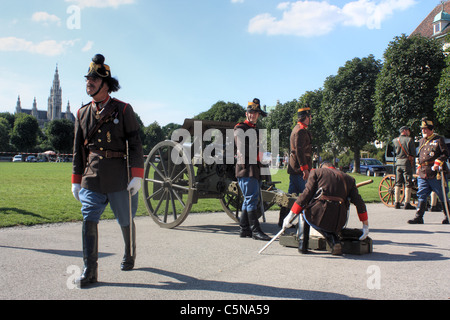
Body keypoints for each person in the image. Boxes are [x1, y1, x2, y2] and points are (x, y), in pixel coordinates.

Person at [71, 54, 145, 287]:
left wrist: (137, 175)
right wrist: (76, 179)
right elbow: (77, 150)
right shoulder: (82, 113)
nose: (88, 83)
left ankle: (129, 252)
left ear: (105, 84)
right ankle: (90, 269)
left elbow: (135, 144)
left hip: (118, 174)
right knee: (88, 217)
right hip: (92, 175)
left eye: (93, 79)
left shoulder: (123, 110)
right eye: (88, 79)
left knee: (125, 218)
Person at [283, 161, 369, 255]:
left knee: (304, 211)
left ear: (322, 166)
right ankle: (334, 240)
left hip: (321, 216)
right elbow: (359, 203)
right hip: (339, 220)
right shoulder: (349, 179)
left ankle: (303, 245)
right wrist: (365, 225)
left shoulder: (316, 172)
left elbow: (306, 195)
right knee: (323, 218)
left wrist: (290, 214)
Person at [234, 98, 271, 241]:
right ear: (246, 113)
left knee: (248, 199)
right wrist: (261, 155)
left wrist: (265, 156)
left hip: (253, 169)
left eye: (256, 113)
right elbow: (242, 149)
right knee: (252, 199)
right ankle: (256, 231)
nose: (253, 115)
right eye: (251, 112)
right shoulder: (240, 128)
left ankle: (244, 229)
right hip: (245, 169)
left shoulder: (254, 130)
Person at [408, 118, 449, 225]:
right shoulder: (421, 141)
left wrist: (438, 162)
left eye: (425, 129)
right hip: (423, 172)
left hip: (436, 173)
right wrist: (419, 165)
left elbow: (445, 154)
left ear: (431, 129)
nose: (423, 131)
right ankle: (418, 217)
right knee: (421, 194)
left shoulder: (438, 139)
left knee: (442, 194)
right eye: (422, 129)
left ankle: (448, 216)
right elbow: (420, 155)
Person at [278, 105, 313, 226]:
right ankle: (306, 223)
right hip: (299, 169)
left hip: (295, 168)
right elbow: (299, 151)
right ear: (306, 117)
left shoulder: (297, 128)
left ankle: (283, 220)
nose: (311, 118)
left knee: (290, 197)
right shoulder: (301, 130)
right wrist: (305, 169)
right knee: (306, 195)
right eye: (310, 116)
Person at [393, 126, 416, 210]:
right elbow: (413, 153)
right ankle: (407, 203)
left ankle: (397, 202)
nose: (409, 132)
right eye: (408, 130)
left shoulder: (395, 140)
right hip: (406, 163)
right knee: (408, 182)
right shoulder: (409, 140)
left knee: (398, 183)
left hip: (398, 162)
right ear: (405, 131)